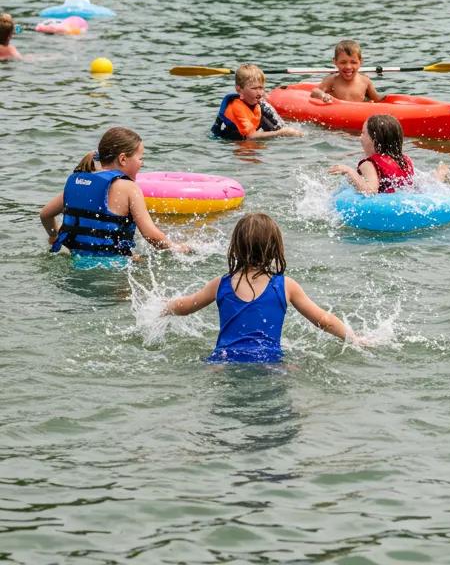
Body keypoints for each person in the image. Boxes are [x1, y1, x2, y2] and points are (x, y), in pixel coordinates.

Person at [164, 212, 364, 362]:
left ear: (236, 247)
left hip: (224, 360)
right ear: (276, 248)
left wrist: (162, 308)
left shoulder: (221, 284)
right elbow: (324, 321)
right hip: (269, 362)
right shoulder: (285, 286)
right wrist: (353, 338)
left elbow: (186, 306)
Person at [39, 126, 191, 257]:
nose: (142, 163)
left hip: (75, 262)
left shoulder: (78, 183)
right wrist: (177, 248)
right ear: (123, 159)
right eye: (140, 158)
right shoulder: (129, 188)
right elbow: (151, 236)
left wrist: (54, 235)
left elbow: (45, 214)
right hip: (113, 269)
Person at [328, 113, 449, 194]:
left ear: (374, 140)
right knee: (425, 184)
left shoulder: (368, 164)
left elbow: (370, 191)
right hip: (408, 196)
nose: (360, 137)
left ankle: (439, 175)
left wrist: (350, 171)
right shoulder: (404, 159)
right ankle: (439, 174)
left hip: (388, 207)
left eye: (363, 133)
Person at [211, 64, 303, 140]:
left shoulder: (258, 103)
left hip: (252, 130)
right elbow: (250, 136)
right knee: (279, 132)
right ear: (239, 90)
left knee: (277, 123)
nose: (259, 92)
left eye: (261, 88)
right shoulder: (237, 107)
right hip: (237, 140)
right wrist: (281, 133)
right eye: (254, 88)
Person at [311, 39, 382, 104]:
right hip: (336, 113)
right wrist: (323, 95)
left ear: (360, 62)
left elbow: (377, 99)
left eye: (353, 62)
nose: (348, 67)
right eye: (343, 62)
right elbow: (315, 92)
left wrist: (390, 98)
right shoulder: (332, 80)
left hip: (358, 113)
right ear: (335, 61)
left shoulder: (365, 81)